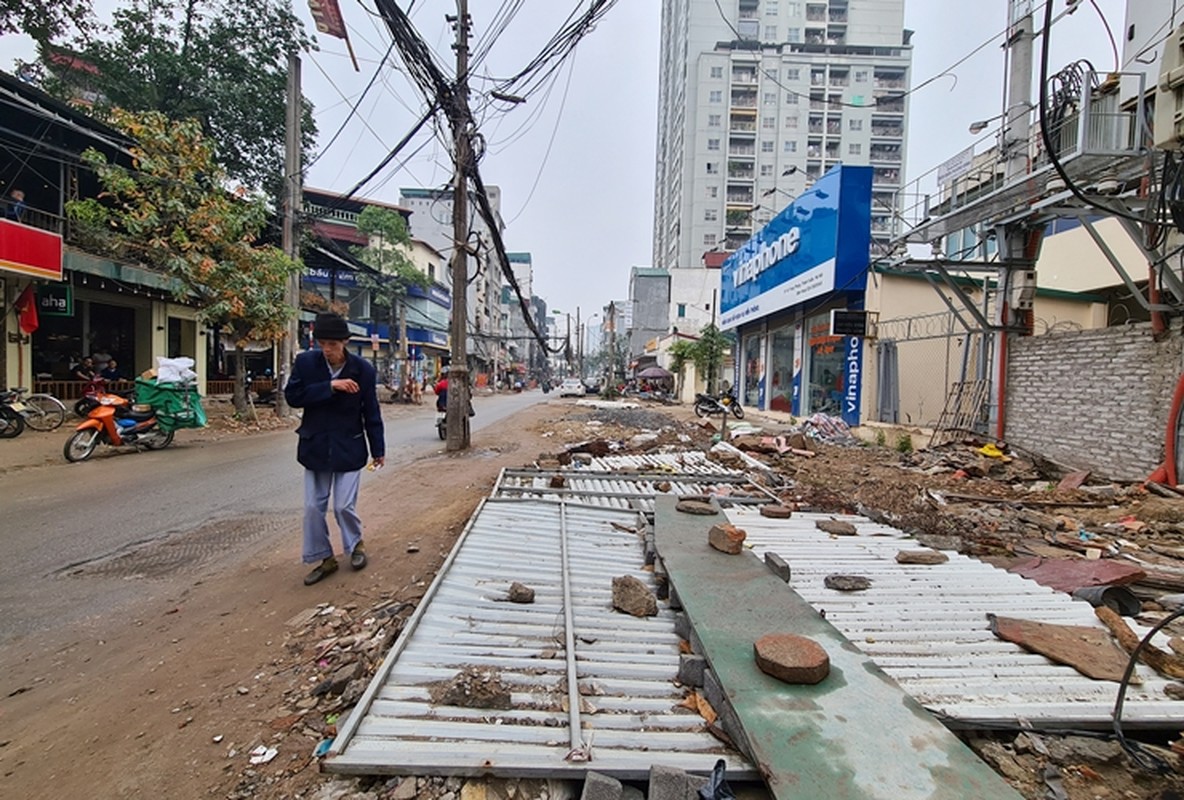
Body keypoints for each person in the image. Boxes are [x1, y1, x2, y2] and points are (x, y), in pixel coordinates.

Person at [284, 313, 385, 586]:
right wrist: (329, 386)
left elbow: (371, 412)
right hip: (315, 446)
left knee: (342, 506)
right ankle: (323, 557)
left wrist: (378, 449)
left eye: (332, 344)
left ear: (345, 342)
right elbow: (292, 397)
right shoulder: (306, 363)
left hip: (349, 445)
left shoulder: (363, 370)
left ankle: (355, 546)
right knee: (312, 508)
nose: (327, 350)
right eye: (322, 343)